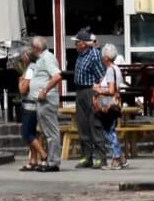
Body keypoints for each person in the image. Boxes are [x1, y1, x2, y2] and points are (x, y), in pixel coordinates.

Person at [71, 28, 108, 168]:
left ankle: (100, 157)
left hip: (91, 91)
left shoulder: (94, 55)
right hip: (80, 91)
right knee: (82, 124)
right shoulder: (80, 55)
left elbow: (101, 75)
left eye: (77, 42)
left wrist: (99, 93)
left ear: (84, 44)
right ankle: (86, 156)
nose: (75, 45)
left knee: (94, 123)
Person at [26, 36, 63, 172]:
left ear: (36, 48)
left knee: (51, 132)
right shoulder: (41, 59)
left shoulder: (47, 58)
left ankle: (53, 162)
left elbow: (57, 75)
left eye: (32, 47)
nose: (31, 50)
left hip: (46, 100)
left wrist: (45, 90)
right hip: (41, 101)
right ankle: (51, 160)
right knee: (47, 131)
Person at [94, 44, 127, 170]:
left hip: (108, 105)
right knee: (110, 130)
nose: (102, 58)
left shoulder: (109, 70)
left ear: (106, 57)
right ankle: (121, 158)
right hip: (112, 104)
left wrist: (98, 89)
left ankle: (116, 159)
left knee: (109, 132)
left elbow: (111, 90)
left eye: (103, 55)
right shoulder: (116, 69)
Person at [16, 49, 46, 171]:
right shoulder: (34, 67)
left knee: (26, 133)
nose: (21, 58)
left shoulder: (30, 69)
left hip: (30, 106)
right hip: (33, 105)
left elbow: (23, 90)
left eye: (23, 55)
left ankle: (43, 155)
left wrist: (20, 81)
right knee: (32, 133)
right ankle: (33, 160)